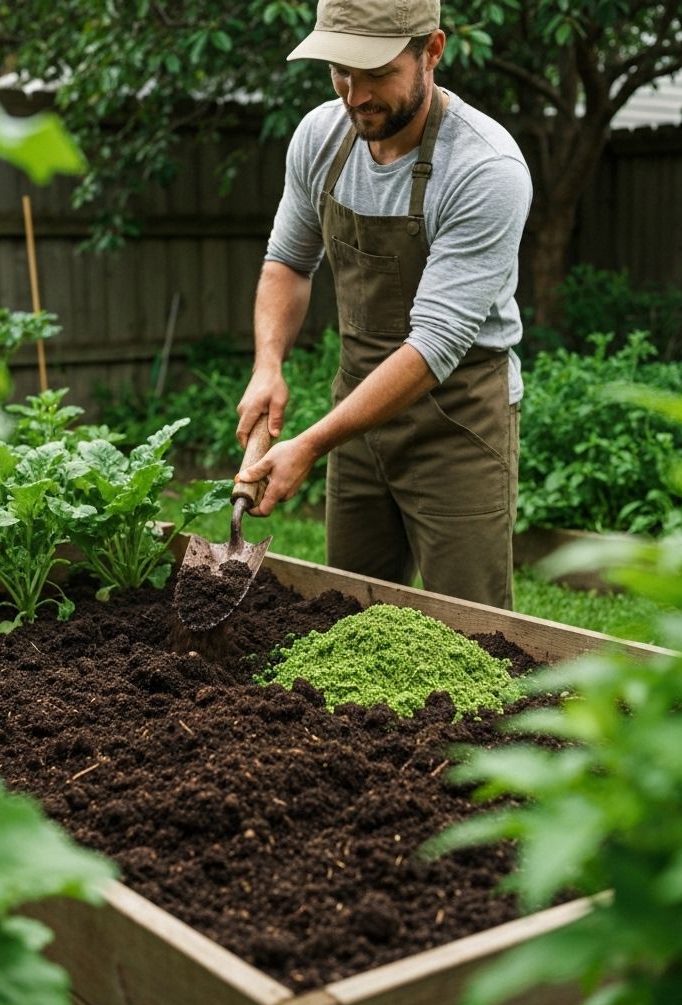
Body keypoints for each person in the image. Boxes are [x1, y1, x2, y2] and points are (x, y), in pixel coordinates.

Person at [234, 0, 532, 609]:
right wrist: (269, 365)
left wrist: (311, 443)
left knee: (472, 636)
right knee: (351, 613)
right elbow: (288, 262)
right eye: (341, 71)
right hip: (357, 417)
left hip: (457, 420)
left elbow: (432, 347)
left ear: (432, 51)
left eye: (377, 73)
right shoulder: (321, 137)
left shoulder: (485, 168)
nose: (355, 94)